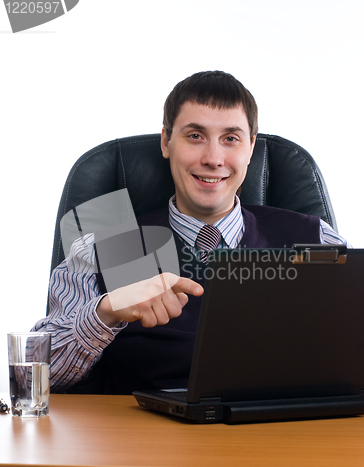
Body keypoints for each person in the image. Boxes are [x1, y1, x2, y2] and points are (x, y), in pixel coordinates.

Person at [33, 70, 347, 394]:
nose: (213, 159)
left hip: (285, 435)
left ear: (251, 147)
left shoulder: (317, 242)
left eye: (231, 138)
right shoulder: (101, 250)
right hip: (146, 439)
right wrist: (106, 312)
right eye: (195, 136)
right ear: (166, 142)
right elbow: (32, 379)